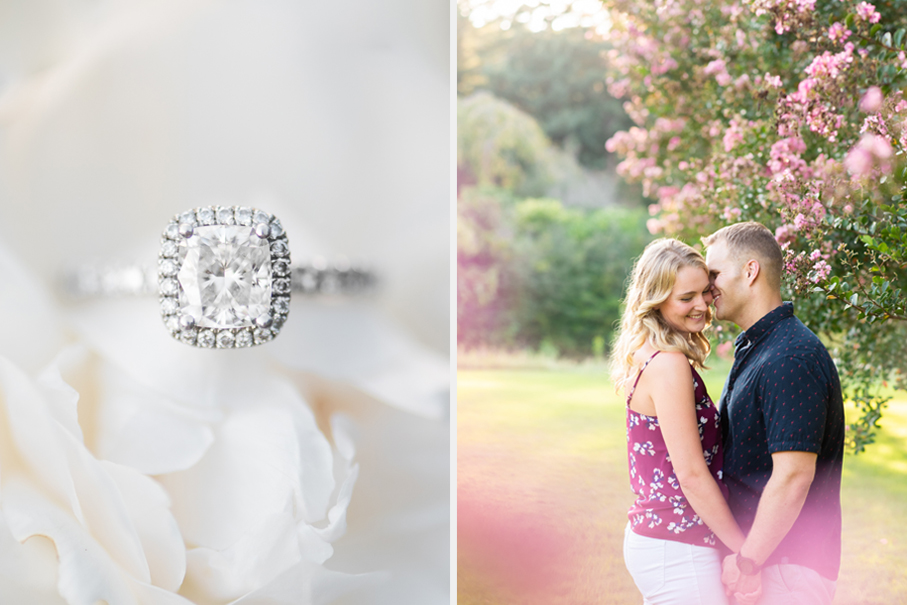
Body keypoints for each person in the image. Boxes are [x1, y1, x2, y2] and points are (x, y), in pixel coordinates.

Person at [703, 222, 845, 605]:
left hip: (785, 569)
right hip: (766, 562)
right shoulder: (761, 348)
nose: (707, 287)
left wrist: (748, 562)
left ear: (750, 272)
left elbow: (794, 475)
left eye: (714, 274)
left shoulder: (790, 357)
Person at [612, 238, 753, 605]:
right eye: (685, 297)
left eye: (705, 292)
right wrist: (744, 554)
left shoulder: (646, 353)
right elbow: (690, 475)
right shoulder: (668, 364)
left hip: (663, 539)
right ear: (657, 300)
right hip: (677, 546)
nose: (702, 305)